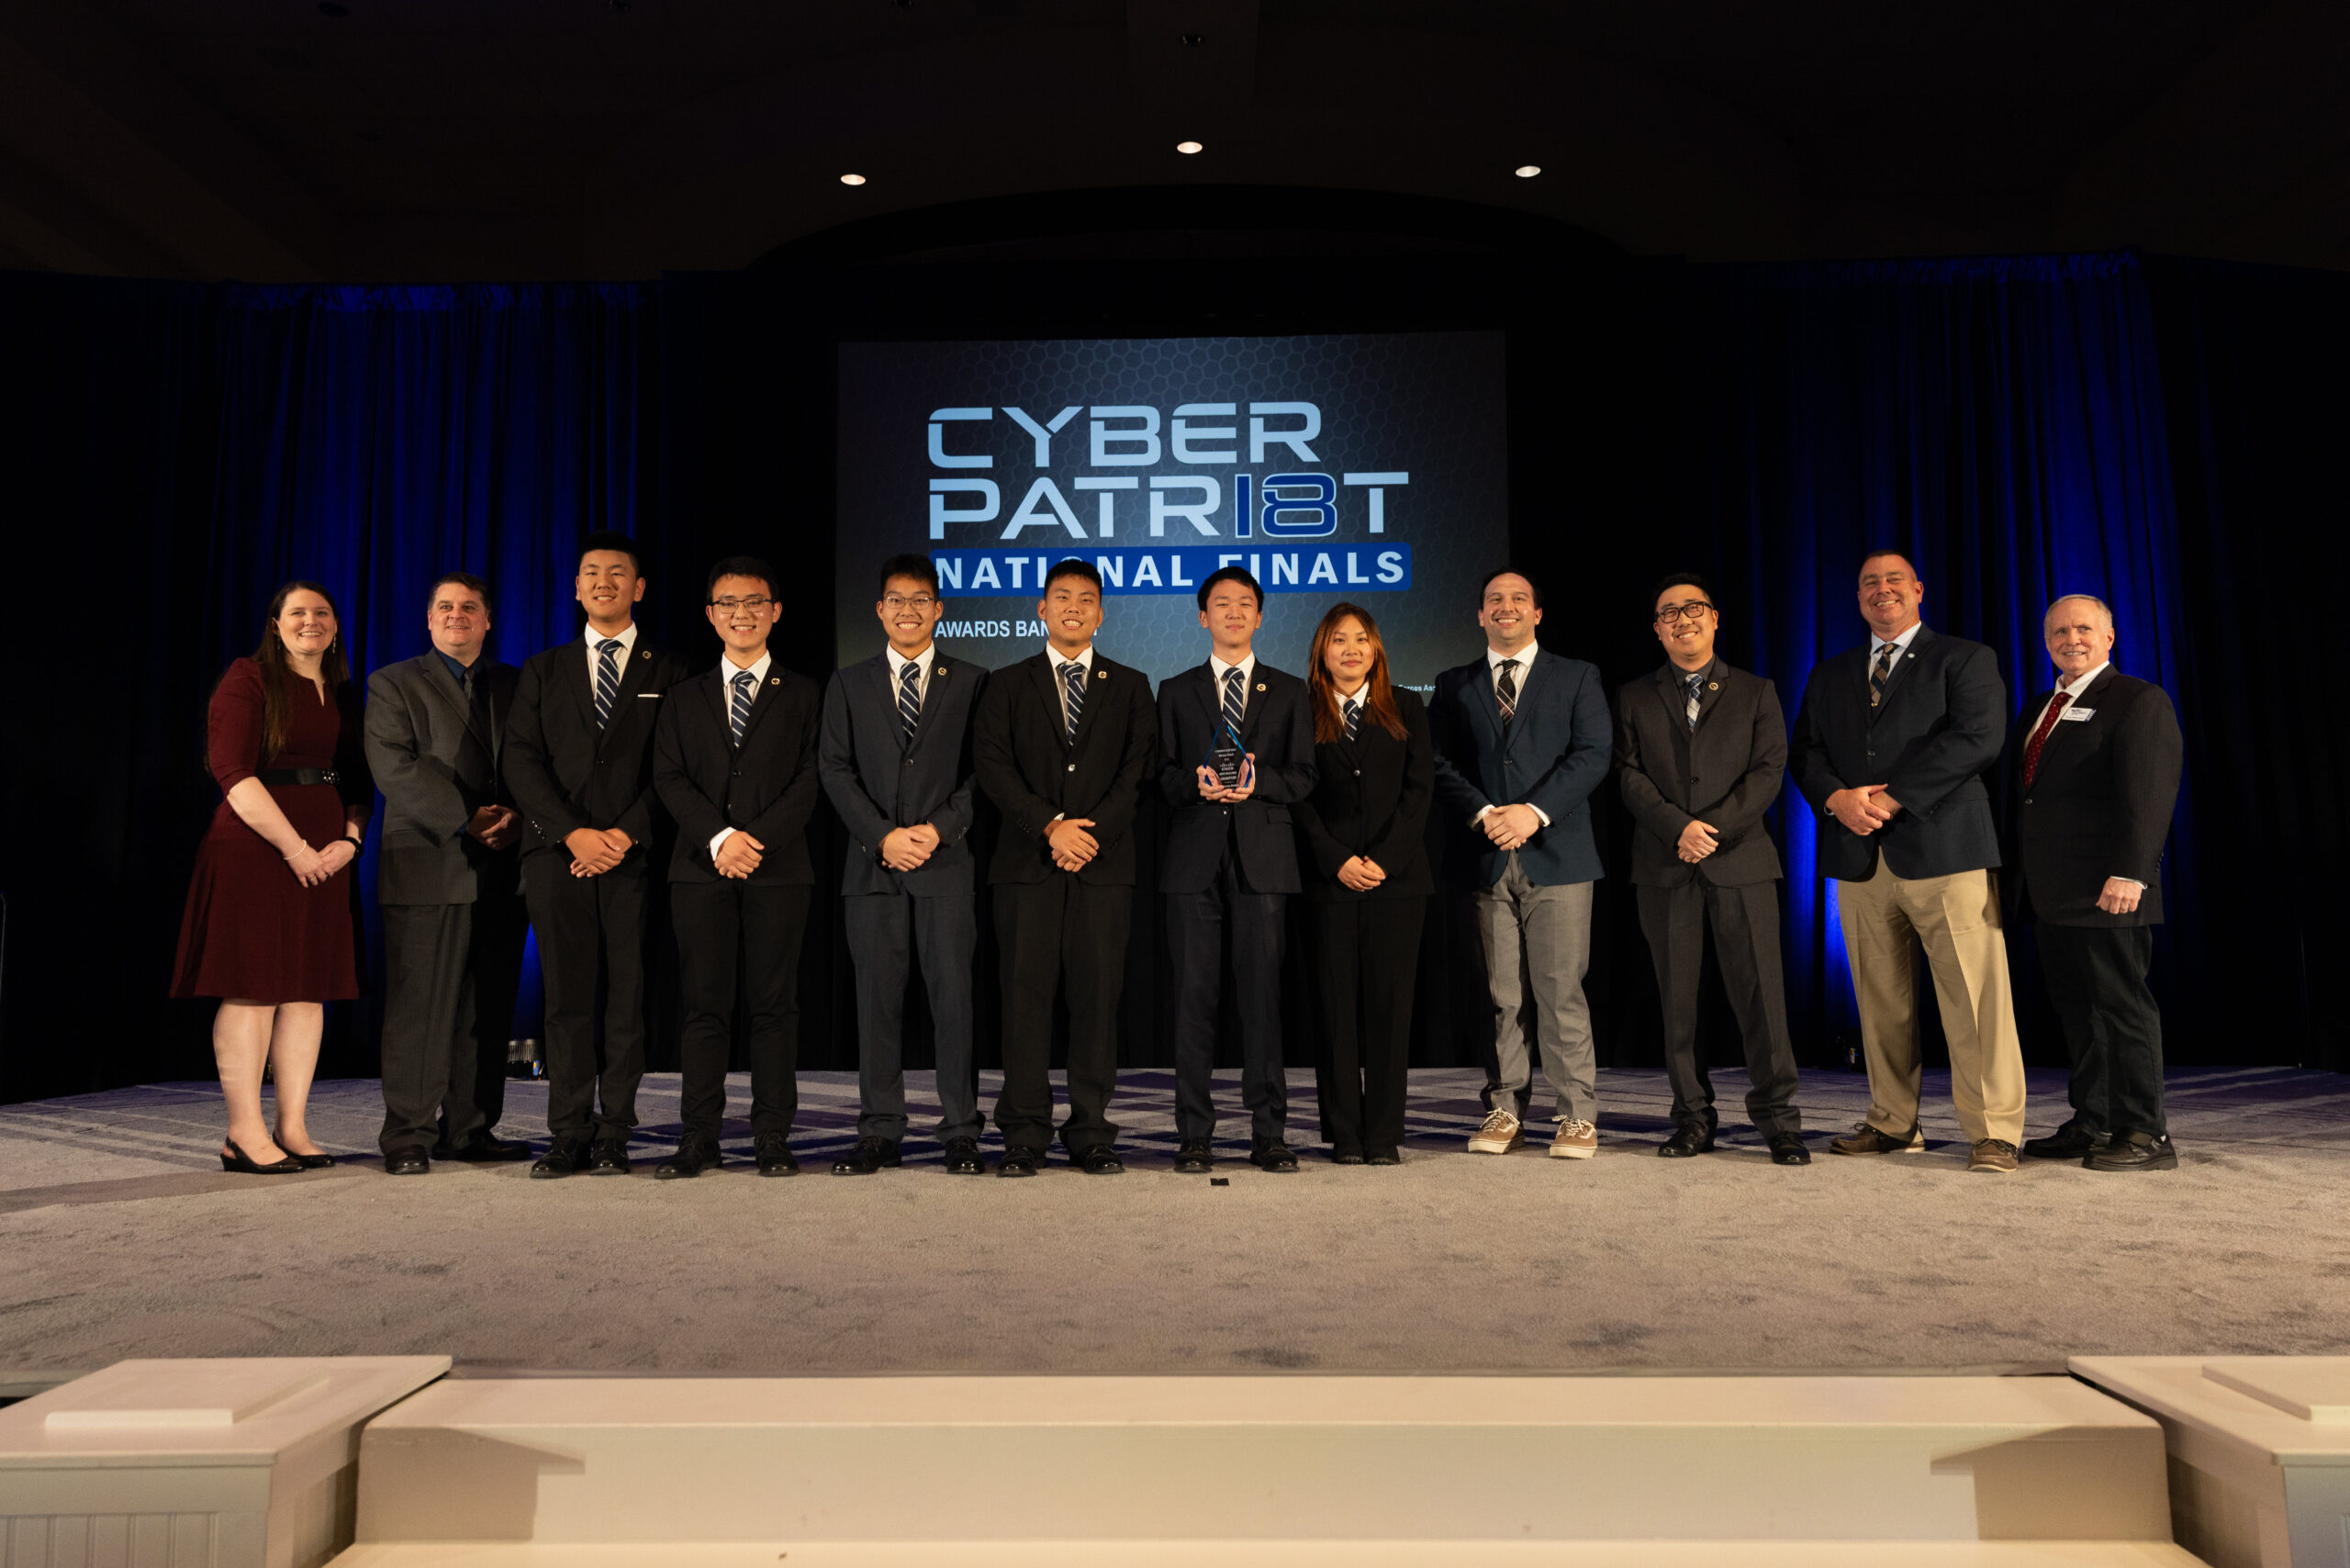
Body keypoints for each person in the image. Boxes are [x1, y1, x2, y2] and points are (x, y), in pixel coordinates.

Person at [1787, 548, 2026, 1173]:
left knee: (1975, 999)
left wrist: (1893, 798)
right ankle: (1893, 1122)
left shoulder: (1965, 658)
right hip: (1858, 856)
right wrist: (1837, 799)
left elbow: (1977, 739)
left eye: (1894, 580)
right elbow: (1805, 753)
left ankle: (1994, 1131)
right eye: (1869, 583)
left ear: (1918, 590)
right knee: (1880, 1002)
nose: (1882, 590)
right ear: (1858, 598)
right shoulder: (1830, 672)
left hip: (1945, 849)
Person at [504, 532, 688, 1179]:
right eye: (590, 572)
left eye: (617, 572)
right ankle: (568, 1131)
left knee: (627, 998)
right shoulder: (543, 669)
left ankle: (615, 1131)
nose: (603, 581)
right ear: (576, 587)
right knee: (566, 999)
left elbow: (675, 766)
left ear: (639, 588)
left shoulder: (670, 672)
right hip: (557, 857)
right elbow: (520, 760)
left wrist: (623, 835)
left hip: (633, 858)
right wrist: (572, 833)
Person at [172, 581, 373, 1173]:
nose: (311, 621)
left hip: (325, 856)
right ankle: (243, 1132)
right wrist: (295, 848)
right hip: (256, 850)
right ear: (276, 623)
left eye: (323, 613)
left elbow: (359, 782)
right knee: (255, 987)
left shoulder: (342, 692)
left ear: (336, 625)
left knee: (306, 992)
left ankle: (292, 1126)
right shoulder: (249, 678)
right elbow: (232, 771)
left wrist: (349, 843)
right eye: (298, 613)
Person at [1612, 574, 1807, 1165]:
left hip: (1740, 863)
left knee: (1762, 1001)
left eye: (1694, 609)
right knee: (1678, 1003)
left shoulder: (1755, 690)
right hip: (1665, 866)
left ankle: (1781, 1122)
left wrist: (1711, 830)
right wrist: (1679, 828)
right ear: (1656, 629)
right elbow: (1627, 775)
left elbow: (1769, 773)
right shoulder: (1634, 695)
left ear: (1715, 619)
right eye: (1668, 613)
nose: (1682, 619)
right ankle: (1693, 1118)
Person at [971, 558, 1158, 1177]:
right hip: (1027, 866)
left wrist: (1089, 834)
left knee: (1096, 1002)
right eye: (1061, 597)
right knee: (1024, 1003)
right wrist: (1051, 825)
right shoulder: (1003, 684)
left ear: (1101, 613)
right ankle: (1023, 1134)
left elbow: (1136, 775)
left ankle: (1092, 1133)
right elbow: (993, 769)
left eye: (1086, 598)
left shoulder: (1132, 685)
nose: (1073, 607)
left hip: (1103, 869)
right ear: (1041, 609)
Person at [1429, 569, 1613, 1159]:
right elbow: (1436, 762)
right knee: (1499, 993)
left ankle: (1576, 1115)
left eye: (1518, 599)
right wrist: (1486, 814)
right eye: (1494, 600)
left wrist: (1533, 812)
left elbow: (1593, 755)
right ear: (1480, 616)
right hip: (1484, 855)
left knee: (1561, 991)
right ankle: (1504, 1107)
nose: (1506, 607)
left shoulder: (1578, 676)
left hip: (1557, 854)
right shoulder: (1453, 682)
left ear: (1537, 613)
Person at [650, 555, 823, 1179]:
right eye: (728, 604)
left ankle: (772, 1136)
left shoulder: (806, 694)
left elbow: (811, 779)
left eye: (754, 603)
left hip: (780, 871)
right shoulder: (683, 696)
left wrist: (756, 842)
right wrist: (721, 838)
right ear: (710, 616)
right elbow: (667, 777)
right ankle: (699, 1137)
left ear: (775, 612)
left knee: (775, 1007)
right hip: (701, 870)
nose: (741, 614)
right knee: (704, 1006)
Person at [819, 554, 987, 1178]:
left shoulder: (972, 682)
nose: (909, 610)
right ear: (880, 610)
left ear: (939, 610)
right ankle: (880, 1130)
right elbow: (834, 770)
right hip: (873, 870)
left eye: (921, 600)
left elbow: (981, 775)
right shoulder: (848, 683)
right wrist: (882, 836)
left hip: (946, 867)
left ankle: (961, 1131)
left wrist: (937, 830)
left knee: (954, 1006)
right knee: (877, 1005)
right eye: (897, 599)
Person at [2009, 595, 2185, 1172]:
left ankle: (2146, 1132)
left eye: (2084, 628)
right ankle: (2094, 1120)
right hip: (2052, 893)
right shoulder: (2041, 706)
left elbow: (2150, 793)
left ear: (2110, 637)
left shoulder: (2137, 699)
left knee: (2122, 1008)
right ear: (2046, 641)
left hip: (2111, 889)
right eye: (2059, 631)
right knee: (2080, 1012)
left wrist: (2132, 870)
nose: (2071, 639)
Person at [363, 572, 531, 1175]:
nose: (456, 615)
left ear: (488, 620)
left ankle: (471, 1128)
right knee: (420, 1008)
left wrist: (519, 824)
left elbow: (535, 760)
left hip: (504, 869)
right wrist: (469, 819)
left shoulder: (517, 683)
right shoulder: (393, 683)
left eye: (469, 607)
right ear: (428, 621)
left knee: (487, 1007)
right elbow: (394, 768)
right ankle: (407, 1132)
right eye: (444, 607)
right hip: (430, 862)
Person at [1156, 567, 1316, 1174]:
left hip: (1263, 859)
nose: (1232, 613)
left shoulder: (1291, 689)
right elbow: (1161, 775)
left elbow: (1304, 775)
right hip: (1193, 860)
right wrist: (1193, 785)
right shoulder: (1174, 689)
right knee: (1194, 1001)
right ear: (1203, 617)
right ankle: (1194, 1133)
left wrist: (1258, 783)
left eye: (1244, 604)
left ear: (1259, 617)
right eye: (1220, 604)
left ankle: (1268, 1133)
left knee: (1262, 1001)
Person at [1294, 603, 1434, 1166]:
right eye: (1338, 640)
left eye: (1361, 639)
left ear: (1375, 648)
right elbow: (1296, 795)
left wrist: (1381, 859)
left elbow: (1419, 790)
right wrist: (1336, 859)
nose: (1350, 649)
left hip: (1395, 882)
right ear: (1321, 651)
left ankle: (1383, 1135)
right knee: (1335, 1011)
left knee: (1388, 1009)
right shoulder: (1300, 709)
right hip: (1328, 882)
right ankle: (1344, 1135)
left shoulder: (1407, 705)